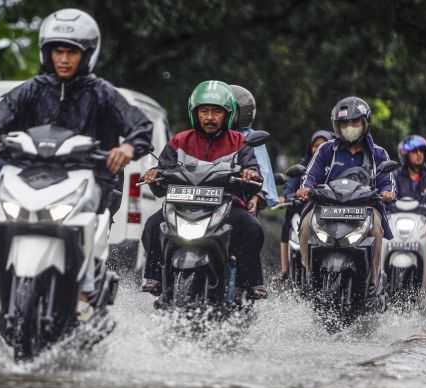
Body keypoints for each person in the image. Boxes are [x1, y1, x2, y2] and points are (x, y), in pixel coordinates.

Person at [0, 8, 153, 317]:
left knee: (92, 227)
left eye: (72, 51)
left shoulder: (103, 93)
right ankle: (0, 291)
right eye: (58, 50)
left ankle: (88, 293)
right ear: (47, 52)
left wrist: (126, 147)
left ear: (87, 55)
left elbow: (141, 127)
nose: (64, 59)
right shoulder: (31, 89)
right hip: (32, 177)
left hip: (90, 181)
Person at [141, 80, 266, 299]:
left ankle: (250, 283)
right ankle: (153, 277)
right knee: (152, 225)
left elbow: (253, 171)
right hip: (181, 205)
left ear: (228, 114)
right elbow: (161, 174)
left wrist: (250, 174)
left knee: (253, 228)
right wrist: (154, 175)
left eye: (216, 112)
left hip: (225, 206)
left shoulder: (239, 141)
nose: (210, 117)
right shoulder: (179, 141)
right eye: (204, 111)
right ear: (194, 113)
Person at [297, 96, 396, 299]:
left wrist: (388, 193)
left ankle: (373, 280)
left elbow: (388, 182)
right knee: (306, 224)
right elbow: (310, 175)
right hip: (326, 208)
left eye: (355, 122)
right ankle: (308, 273)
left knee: (376, 228)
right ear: (337, 126)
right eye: (344, 123)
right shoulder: (326, 150)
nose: (349, 127)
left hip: (365, 209)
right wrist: (305, 188)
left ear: (365, 124)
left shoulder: (378, 153)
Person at [390, 134, 426, 289]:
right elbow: (387, 191)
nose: (419, 154)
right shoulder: (394, 175)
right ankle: (377, 277)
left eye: (422, 151)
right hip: (396, 221)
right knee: (376, 229)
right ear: (405, 155)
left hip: (423, 223)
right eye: (415, 151)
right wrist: (385, 197)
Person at [279, 130, 333, 280]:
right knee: (288, 220)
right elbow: (290, 187)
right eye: (315, 146)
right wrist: (289, 196)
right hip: (303, 209)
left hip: (328, 213)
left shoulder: (336, 167)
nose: (319, 149)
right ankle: (284, 269)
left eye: (323, 145)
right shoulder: (303, 166)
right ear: (310, 147)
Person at [230, 84, 278, 213]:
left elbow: (262, 171)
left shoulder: (249, 137)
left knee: (251, 228)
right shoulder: (205, 136)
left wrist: (256, 197)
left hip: (240, 198)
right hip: (206, 198)